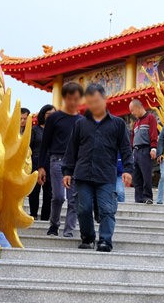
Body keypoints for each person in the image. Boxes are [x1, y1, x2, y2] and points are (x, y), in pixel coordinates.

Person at [62, 83, 133, 252]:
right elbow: (71, 149)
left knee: (107, 209)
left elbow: (125, 149)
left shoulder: (118, 124)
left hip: (106, 175)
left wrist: (129, 170)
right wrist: (67, 172)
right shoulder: (80, 124)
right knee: (84, 208)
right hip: (83, 174)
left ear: (104, 100)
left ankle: (105, 241)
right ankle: (87, 238)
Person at [38, 82, 84, 237]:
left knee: (73, 199)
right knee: (58, 196)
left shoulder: (81, 120)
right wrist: (41, 167)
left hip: (76, 164)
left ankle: (69, 230)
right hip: (57, 161)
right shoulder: (54, 118)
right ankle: (54, 224)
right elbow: (44, 144)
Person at [128, 99, 158, 204]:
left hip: (146, 150)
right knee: (136, 177)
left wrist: (153, 148)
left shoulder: (150, 118)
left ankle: (147, 197)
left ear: (138, 107)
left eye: (132, 110)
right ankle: (139, 198)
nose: (132, 113)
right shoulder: (136, 123)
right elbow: (133, 139)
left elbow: (154, 133)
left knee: (146, 175)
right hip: (135, 152)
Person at [33, 104, 55, 222]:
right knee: (35, 190)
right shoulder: (35, 130)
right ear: (43, 115)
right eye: (49, 114)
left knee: (49, 192)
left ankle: (45, 217)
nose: (51, 117)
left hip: (52, 163)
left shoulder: (57, 131)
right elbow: (28, 147)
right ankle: (33, 215)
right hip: (36, 162)